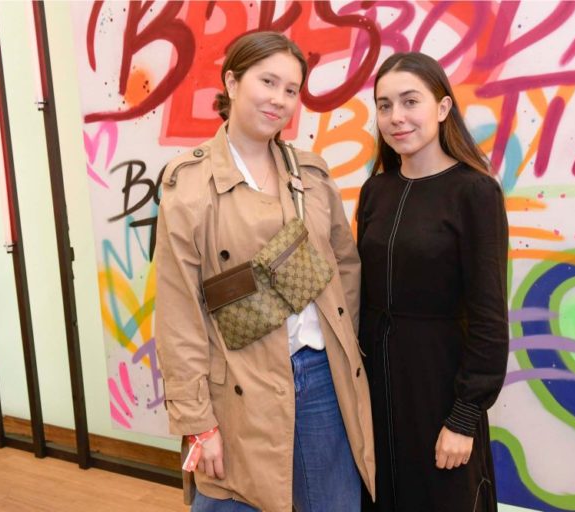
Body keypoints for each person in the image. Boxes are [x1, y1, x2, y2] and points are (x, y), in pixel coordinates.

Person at [155, 31, 374, 512]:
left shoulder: (312, 176)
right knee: (233, 499)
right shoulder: (188, 186)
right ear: (232, 82)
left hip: (322, 378)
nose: (279, 99)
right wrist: (197, 420)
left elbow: (345, 267)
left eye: (291, 90)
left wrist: (340, 343)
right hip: (238, 386)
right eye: (268, 82)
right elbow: (178, 314)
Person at [356, 52, 509, 511]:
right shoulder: (375, 190)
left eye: (410, 102)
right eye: (384, 105)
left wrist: (464, 417)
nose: (396, 117)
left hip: (439, 385)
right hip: (376, 387)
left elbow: (489, 317)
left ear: (442, 108)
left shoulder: (475, 192)